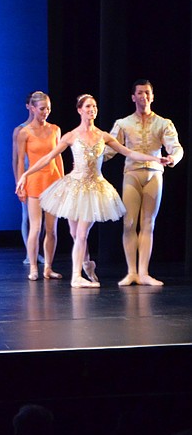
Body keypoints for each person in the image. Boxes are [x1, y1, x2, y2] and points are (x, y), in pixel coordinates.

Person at [17, 94, 170, 288]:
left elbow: (128, 152)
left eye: (94, 106)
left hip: (94, 189)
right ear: (80, 110)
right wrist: (25, 174)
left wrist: (155, 159)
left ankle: (76, 277)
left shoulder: (103, 136)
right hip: (74, 187)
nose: (92, 109)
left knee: (81, 234)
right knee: (74, 233)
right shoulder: (71, 135)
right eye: (88, 106)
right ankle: (87, 263)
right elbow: (48, 158)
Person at [105, 79, 184, 286]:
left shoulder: (163, 123)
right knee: (129, 222)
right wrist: (88, 158)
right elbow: (110, 149)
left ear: (152, 96)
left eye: (147, 93)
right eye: (140, 93)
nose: (144, 96)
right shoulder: (123, 123)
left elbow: (176, 147)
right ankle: (131, 272)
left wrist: (173, 158)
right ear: (133, 97)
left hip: (154, 173)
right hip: (132, 172)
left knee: (148, 223)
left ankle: (143, 272)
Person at [15, 91, 63, 281]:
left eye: (48, 109)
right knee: (36, 227)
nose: (46, 112)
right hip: (34, 181)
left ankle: (48, 267)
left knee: (52, 229)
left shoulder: (55, 129)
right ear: (33, 108)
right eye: (42, 109)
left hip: (53, 180)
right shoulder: (24, 132)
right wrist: (20, 183)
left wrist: (63, 181)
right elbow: (20, 161)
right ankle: (34, 266)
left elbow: (58, 156)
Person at [13, 95, 44, 265]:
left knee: (43, 220)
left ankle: (38, 252)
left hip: (44, 176)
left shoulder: (50, 129)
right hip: (27, 176)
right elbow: (16, 159)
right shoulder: (21, 130)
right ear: (29, 106)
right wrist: (19, 181)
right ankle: (29, 253)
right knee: (27, 217)